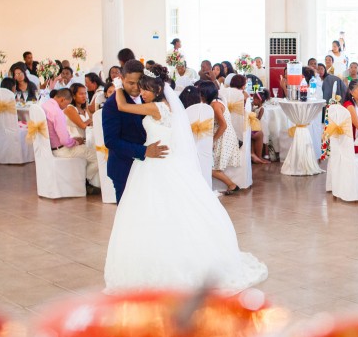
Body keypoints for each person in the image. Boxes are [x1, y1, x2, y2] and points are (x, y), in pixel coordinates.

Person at [103, 69, 267, 293]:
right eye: (138, 87)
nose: (140, 92)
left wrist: (118, 85)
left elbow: (123, 107)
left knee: (158, 211)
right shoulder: (166, 107)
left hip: (156, 162)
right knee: (162, 211)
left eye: (144, 88)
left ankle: (163, 261)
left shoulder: (157, 107)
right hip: (156, 161)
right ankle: (156, 256)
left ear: (158, 90)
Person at [102, 59, 170, 199]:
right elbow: (111, 141)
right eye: (130, 83)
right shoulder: (112, 104)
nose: (135, 88)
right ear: (122, 79)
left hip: (152, 166)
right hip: (124, 166)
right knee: (128, 213)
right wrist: (144, 151)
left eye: (138, 83)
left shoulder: (151, 99)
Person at [44, 87, 99, 192]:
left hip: (51, 147)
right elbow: (65, 141)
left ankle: (81, 181)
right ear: (62, 100)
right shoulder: (57, 112)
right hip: (61, 150)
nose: (65, 108)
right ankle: (83, 182)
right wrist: (75, 141)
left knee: (86, 151)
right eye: (65, 105)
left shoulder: (45, 105)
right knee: (98, 156)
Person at [195, 81, 241, 195]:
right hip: (222, 135)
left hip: (224, 137)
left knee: (209, 166)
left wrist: (213, 140)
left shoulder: (215, 105)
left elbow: (223, 125)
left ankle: (231, 185)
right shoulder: (215, 102)